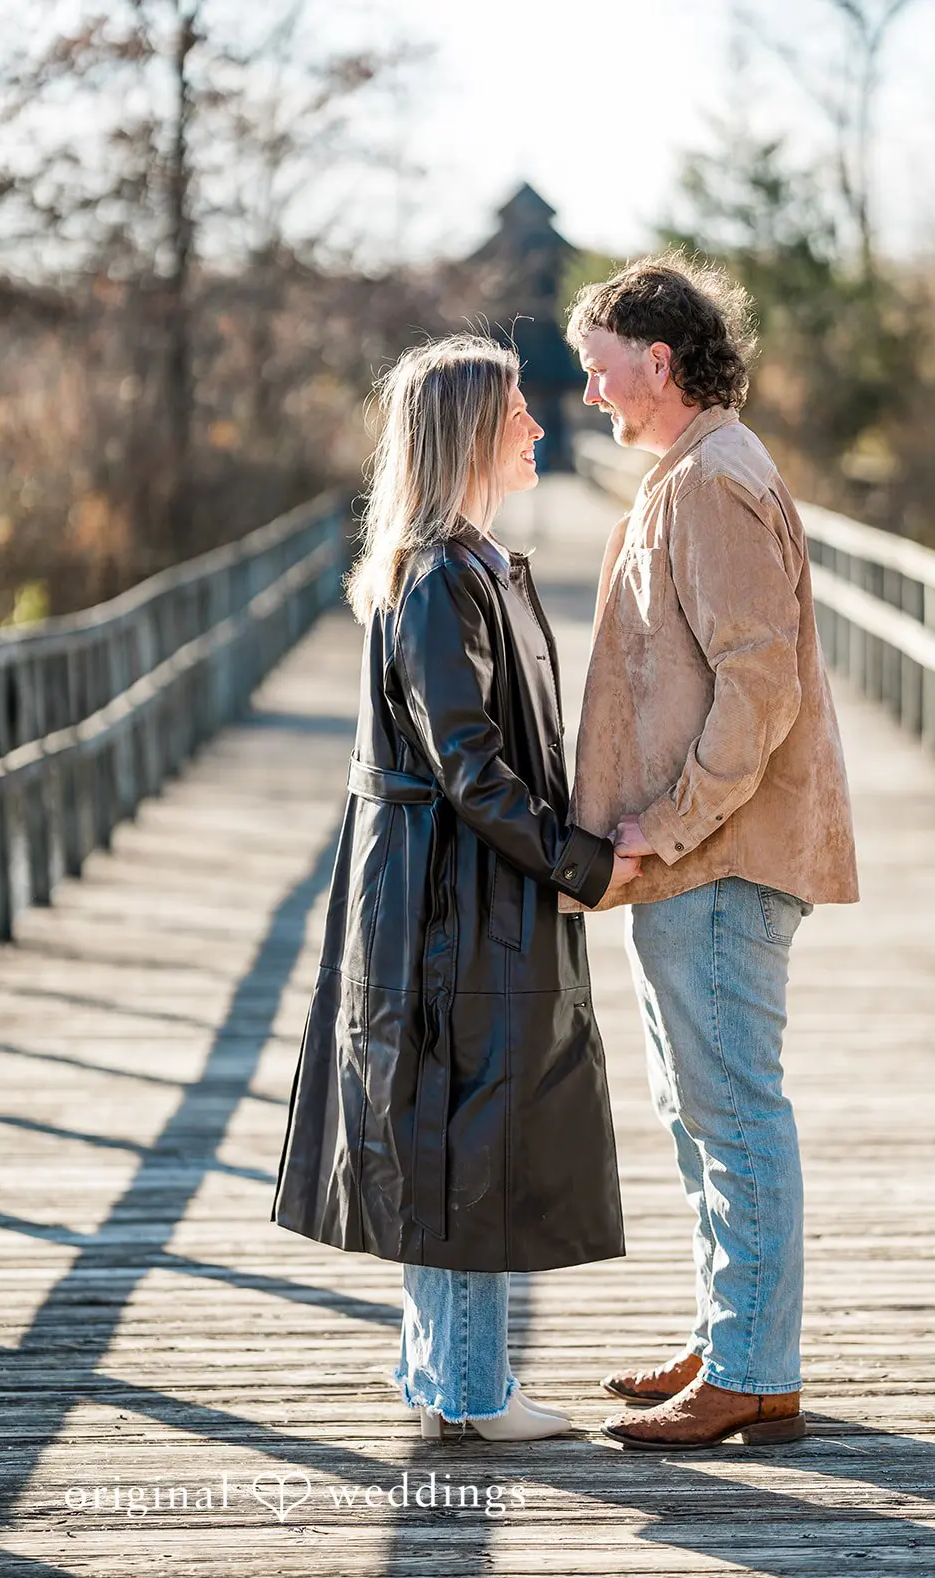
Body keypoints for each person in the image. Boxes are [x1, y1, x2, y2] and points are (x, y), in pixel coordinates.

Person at [272, 334, 639, 1443]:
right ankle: (475, 1387)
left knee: (455, 1127)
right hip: (447, 903)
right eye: (516, 412)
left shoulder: (465, 564)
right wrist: (581, 862)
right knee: (470, 1131)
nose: (537, 426)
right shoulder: (439, 578)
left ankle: (440, 1376)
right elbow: (470, 763)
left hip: (454, 891)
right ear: (468, 433)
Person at [563, 252, 859, 1451]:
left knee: (732, 1109)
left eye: (597, 371)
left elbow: (758, 685)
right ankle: (726, 1330)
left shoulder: (711, 482)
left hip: (719, 857)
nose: (589, 394)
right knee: (697, 1110)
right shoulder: (689, 472)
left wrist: (664, 823)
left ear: (658, 359)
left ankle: (752, 1367)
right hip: (684, 862)